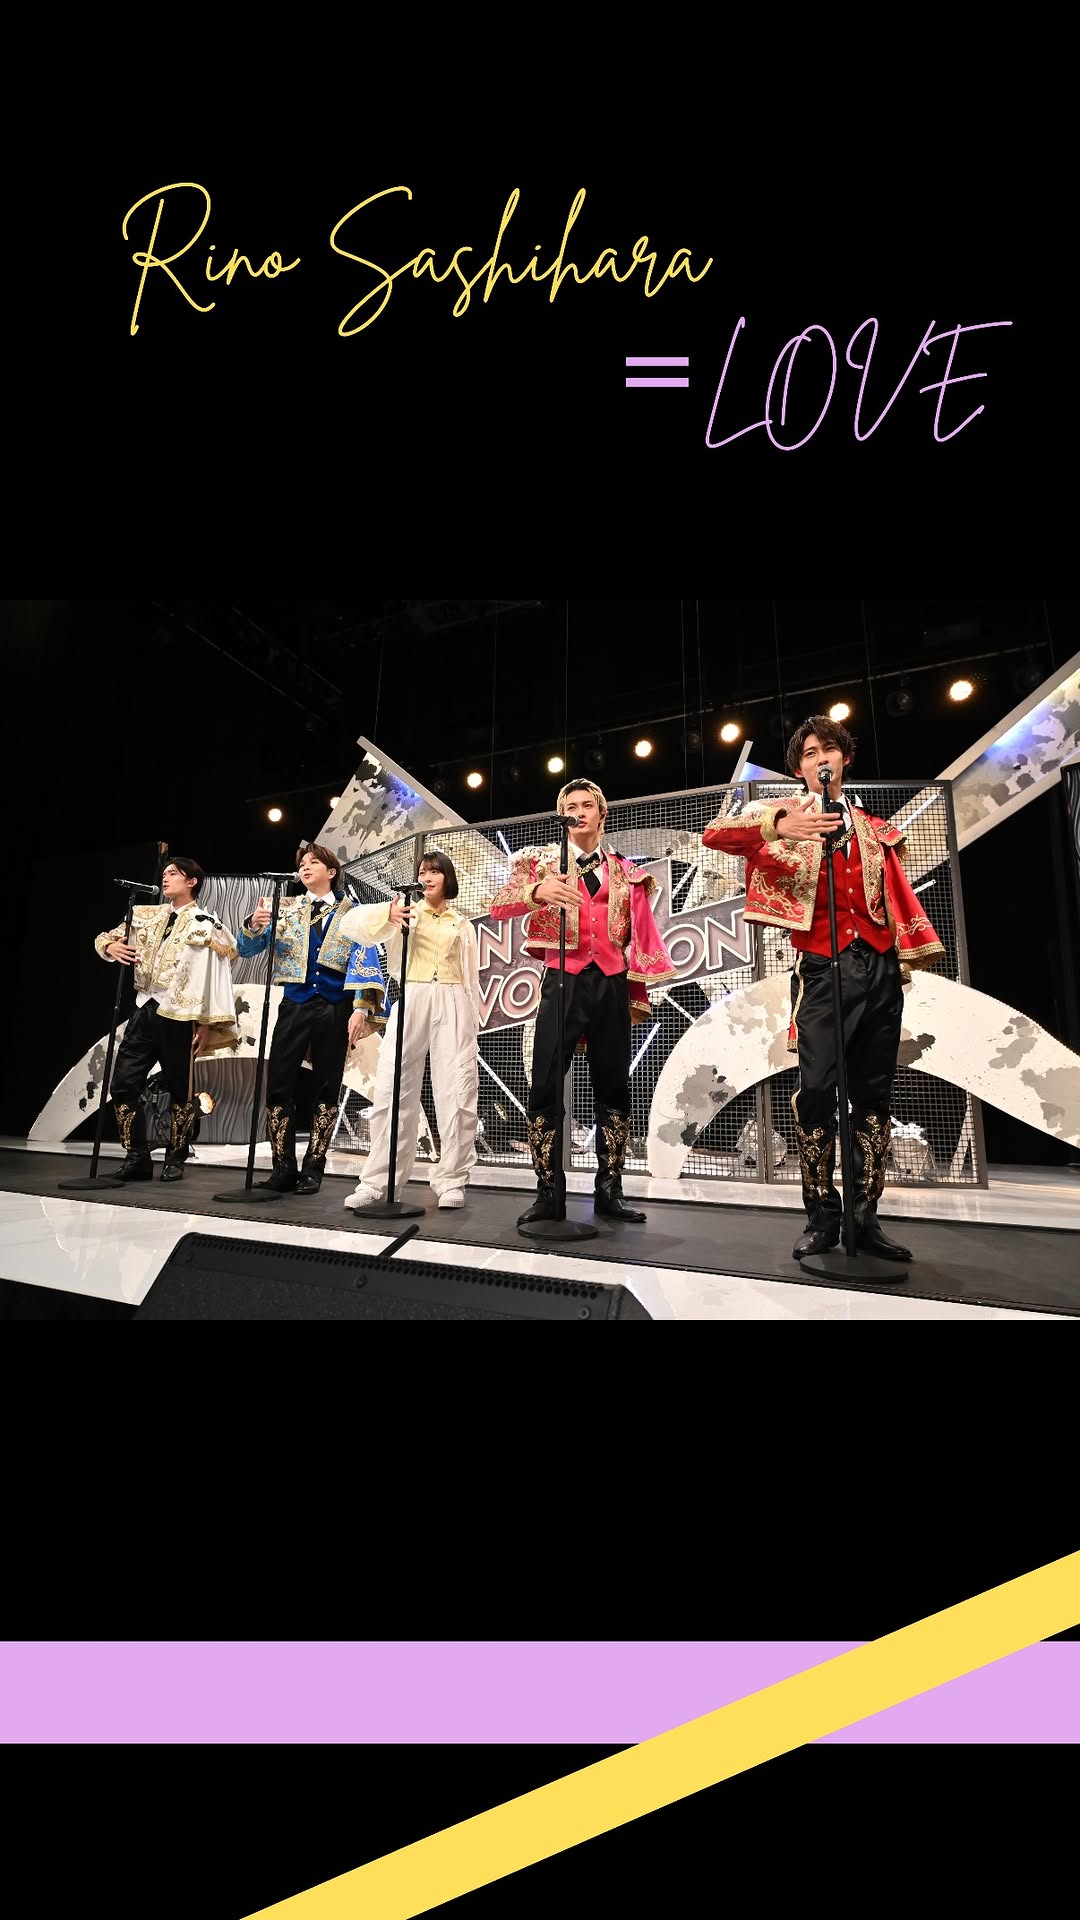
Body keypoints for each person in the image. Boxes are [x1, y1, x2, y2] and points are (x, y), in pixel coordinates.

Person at [702, 716, 945, 1262]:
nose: (820, 759)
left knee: (874, 1098)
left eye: (828, 749)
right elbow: (714, 835)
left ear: (844, 759)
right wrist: (776, 826)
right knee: (815, 1092)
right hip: (822, 967)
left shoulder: (873, 827)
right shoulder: (782, 815)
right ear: (799, 768)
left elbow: (895, 898)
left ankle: (865, 1216)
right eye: (810, 753)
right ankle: (822, 1215)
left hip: (879, 967)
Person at [489, 778, 676, 1226]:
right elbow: (498, 905)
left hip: (610, 982)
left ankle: (610, 1191)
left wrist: (641, 978)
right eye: (570, 806)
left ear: (601, 813)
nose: (578, 812)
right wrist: (537, 892)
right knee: (545, 1085)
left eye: (586, 805)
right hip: (562, 980)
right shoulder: (540, 863)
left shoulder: (627, 871)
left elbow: (642, 932)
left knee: (613, 1087)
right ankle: (547, 1192)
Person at [236, 842, 402, 1193]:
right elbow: (247, 949)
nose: (305, 867)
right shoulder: (285, 908)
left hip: (335, 1005)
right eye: (302, 864)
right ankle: (283, 1167)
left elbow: (365, 957)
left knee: (326, 1086)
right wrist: (253, 925)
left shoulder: (353, 912)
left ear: (332, 871)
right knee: (279, 1083)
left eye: (313, 862)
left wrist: (361, 1009)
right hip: (294, 1003)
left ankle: (314, 1167)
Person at [341, 851, 480, 1210]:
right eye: (422, 872)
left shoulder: (461, 924)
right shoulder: (403, 913)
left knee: (458, 1089)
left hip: (453, 999)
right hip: (413, 995)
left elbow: (471, 976)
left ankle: (452, 1179)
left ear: (448, 877)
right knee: (393, 1088)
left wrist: (471, 1017)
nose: (427, 877)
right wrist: (386, 914)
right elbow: (351, 926)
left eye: (434, 871)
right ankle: (379, 1182)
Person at [94, 857, 237, 1182]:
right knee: (123, 1084)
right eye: (165, 873)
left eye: (174, 873)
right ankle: (137, 1157)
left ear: (192, 881)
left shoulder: (205, 923)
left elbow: (213, 975)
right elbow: (105, 937)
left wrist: (204, 1022)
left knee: (180, 1089)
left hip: (181, 1015)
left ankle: (176, 1156)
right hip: (144, 1010)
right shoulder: (146, 914)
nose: (166, 877)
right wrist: (112, 947)